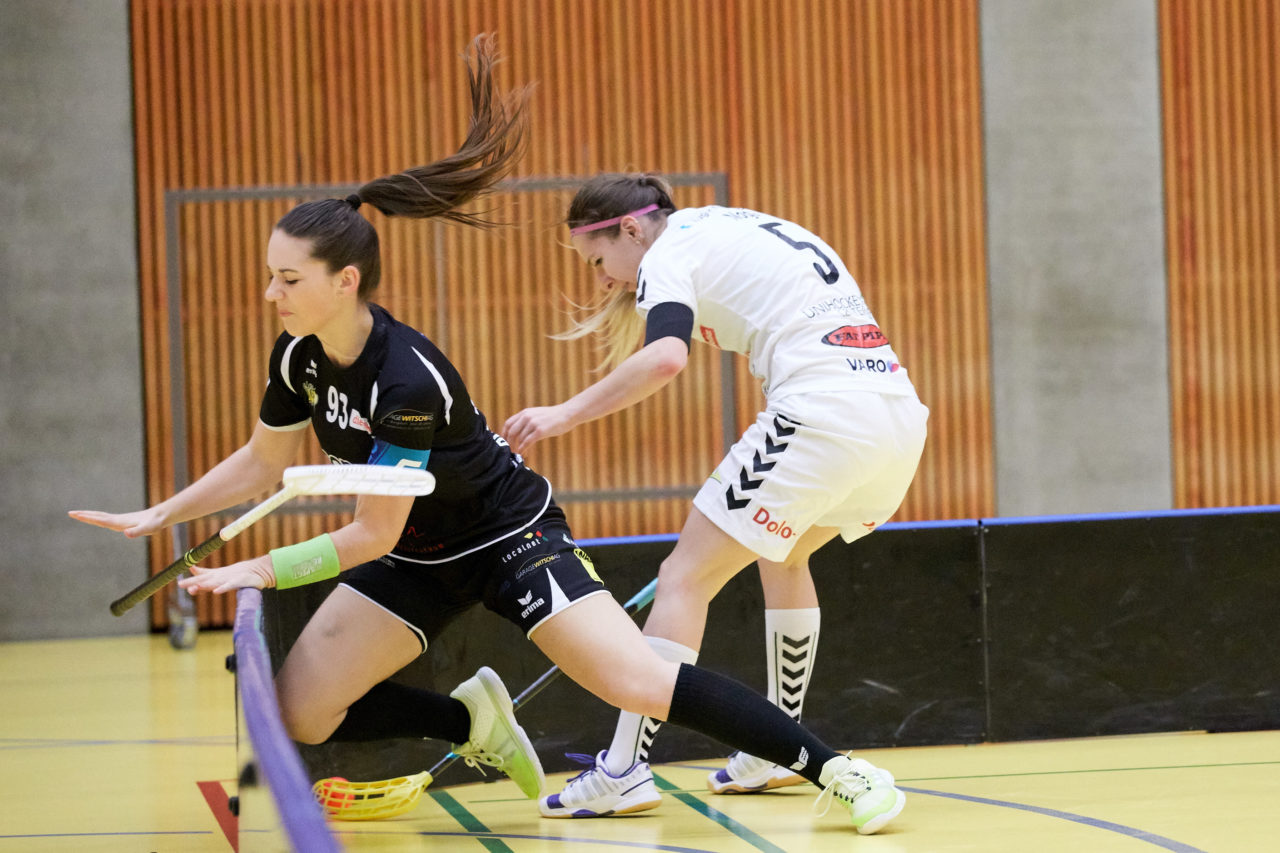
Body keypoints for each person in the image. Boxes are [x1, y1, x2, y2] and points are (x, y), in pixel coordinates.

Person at [69, 38, 905, 835]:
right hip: (417, 553)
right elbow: (263, 460)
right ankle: (471, 716)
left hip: (509, 535)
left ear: (344, 280)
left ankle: (834, 769)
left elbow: (369, 531)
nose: (269, 293)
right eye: (273, 276)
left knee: (640, 678)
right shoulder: (299, 354)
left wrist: (262, 566)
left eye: (288, 279)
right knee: (298, 709)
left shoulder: (406, 380)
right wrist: (159, 516)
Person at [503, 173, 928, 817]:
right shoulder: (722, 224)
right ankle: (772, 748)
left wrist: (561, 415)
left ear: (630, 229)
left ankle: (623, 768)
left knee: (683, 579)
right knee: (783, 558)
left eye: (597, 261)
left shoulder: (668, 252)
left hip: (820, 413)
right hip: (896, 421)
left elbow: (665, 359)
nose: (602, 280)